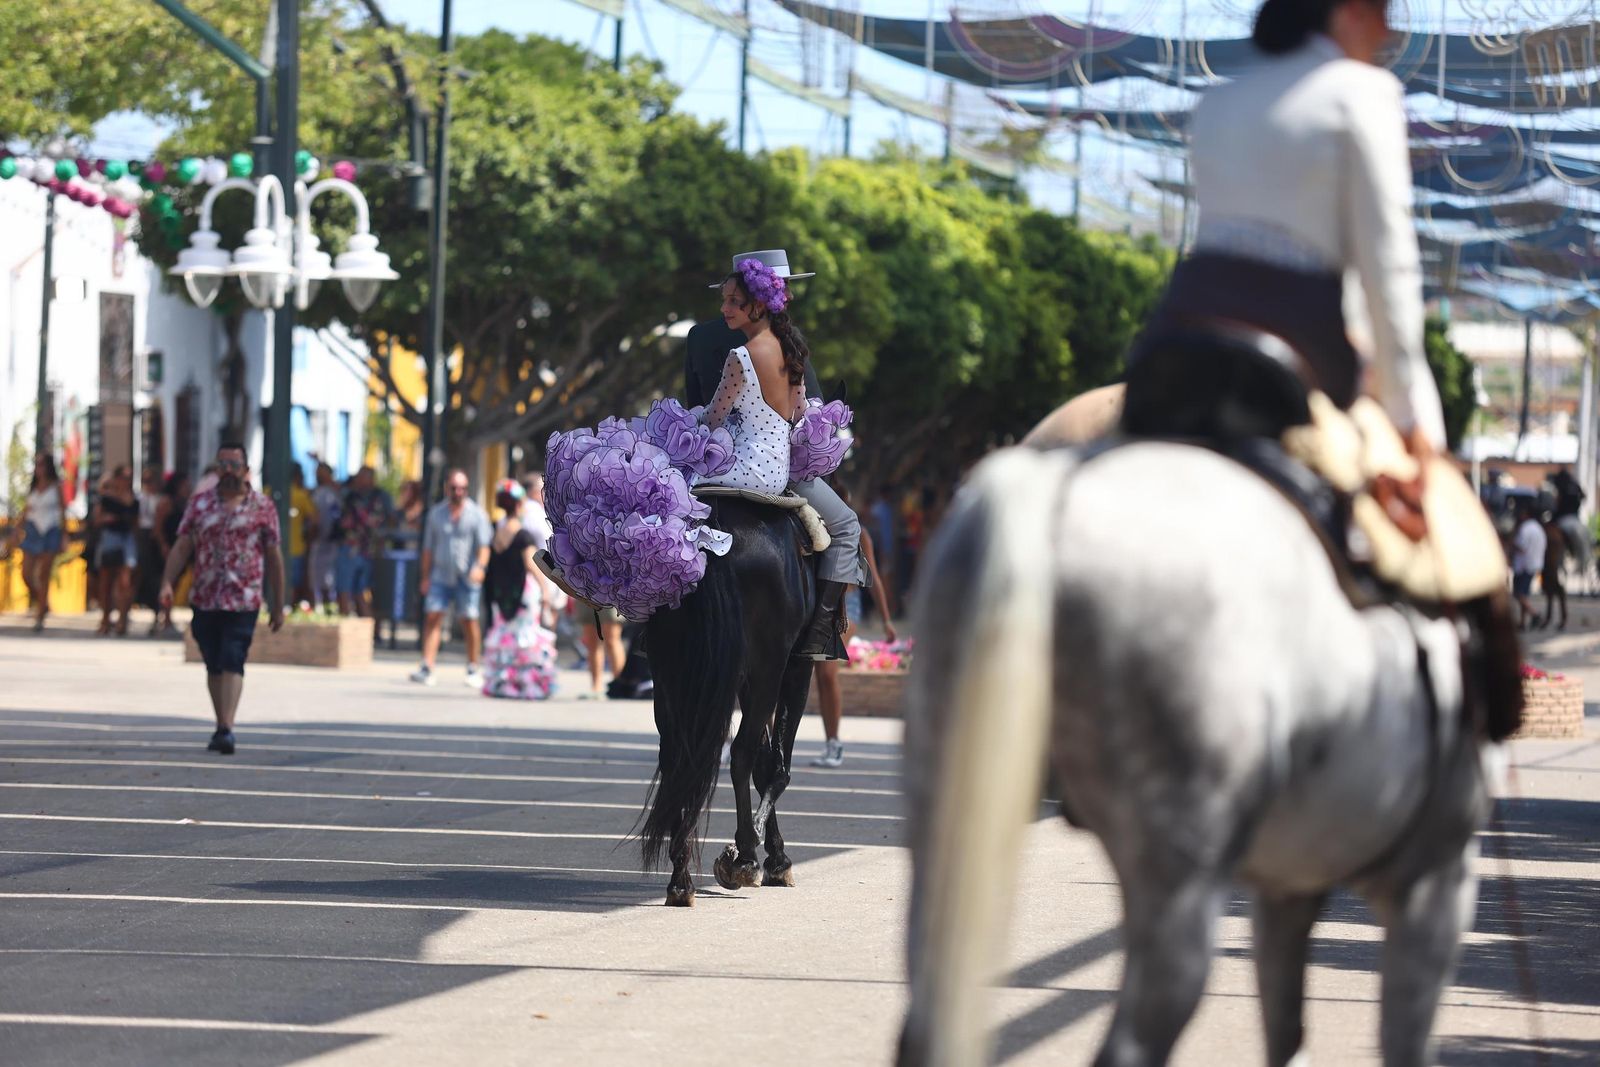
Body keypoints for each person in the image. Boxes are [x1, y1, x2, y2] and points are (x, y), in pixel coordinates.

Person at [1123, 0, 1446, 463]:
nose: (1389, 34)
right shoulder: (1364, 92)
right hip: (1300, 336)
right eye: (1382, 13)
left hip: (1183, 327)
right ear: (1347, 13)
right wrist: (1408, 413)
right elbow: (1388, 264)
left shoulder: (1218, 102)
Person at [684, 249, 864, 659]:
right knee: (849, 527)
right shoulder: (793, 348)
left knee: (661, 514)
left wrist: (681, 434)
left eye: (733, 300)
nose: (725, 307)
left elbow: (711, 417)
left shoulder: (736, 354)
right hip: (783, 471)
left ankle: (644, 619)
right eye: (725, 299)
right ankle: (820, 632)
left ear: (759, 302)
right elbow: (803, 413)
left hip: (737, 469)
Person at [160, 443, 285, 755]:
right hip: (206, 595)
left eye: (234, 464)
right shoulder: (200, 504)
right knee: (213, 662)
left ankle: (227, 727)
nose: (228, 470)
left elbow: (274, 555)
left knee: (233, 656)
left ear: (246, 469)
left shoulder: (262, 507)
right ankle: (220, 722)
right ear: (216, 469)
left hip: (243, 598)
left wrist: (279, 601)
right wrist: (166, 582)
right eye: (223, 464)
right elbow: (183, 546)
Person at [811, 486, 898, 768]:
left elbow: (873, 579)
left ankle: (834, 744)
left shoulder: (858, 532)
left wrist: (886, 620)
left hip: (848, 605)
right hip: (816, 603)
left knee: (826, 671)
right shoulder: (809, 522)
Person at [410, 468, 492, 687]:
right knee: (433, 616)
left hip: (467, 576)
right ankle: (427, 665)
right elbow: (428, 549)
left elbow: (484, 546)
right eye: (454, 487)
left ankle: (473, 666)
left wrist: (480, 567)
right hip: (440, 574)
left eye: (463, 488)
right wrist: (425, 577)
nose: (458, 492)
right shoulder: (436, 514)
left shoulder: (477, 515)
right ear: (447, 488)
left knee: (469, 619)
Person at [481, 480, 559, 700]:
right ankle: (525, 684)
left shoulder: (496, 531)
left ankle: (503, 683)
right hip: (523, 592)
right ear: (518, 504)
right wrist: (545, 589)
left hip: (501, 592)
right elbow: (531, 564)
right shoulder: (523, 534)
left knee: (505, 636)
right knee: (525, 638)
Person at [15, 456, 65, 632]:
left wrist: (64, 536)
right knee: (26, 573)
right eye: (36, 464)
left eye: (42, 464)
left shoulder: (55, 487)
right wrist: (17, 529)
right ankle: (42, 602)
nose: (38, 468)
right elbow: (27, 509)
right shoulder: (33, 487)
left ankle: (39, 616)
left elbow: (62, 511)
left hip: (51, 530)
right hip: (33, 529)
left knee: (44, 573)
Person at [335, 466, 391, 617]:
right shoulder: (350, 496)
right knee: (347, 591)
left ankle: (367, 631)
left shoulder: (380, 497)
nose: (358, 480)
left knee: (362, 593)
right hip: (352, 549)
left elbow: (389, 521)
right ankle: (348, 628)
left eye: (362, 477)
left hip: (366, 551)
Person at [93, 466, 139, 636]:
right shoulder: (106, 498)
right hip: (110, 537)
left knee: (125, 581)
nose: (125, 481)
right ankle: (105, 618)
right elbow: (97, 519)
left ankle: (122, 618)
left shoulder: (133, 498)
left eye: (129, 478)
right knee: (105, 581)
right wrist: (107, 518)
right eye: (123, 477)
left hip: (126, 538)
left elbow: (135, 521)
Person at [148, 471, 191, 637]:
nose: (187, 488)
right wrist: (163, 545)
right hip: (165, 547)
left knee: (175, 583)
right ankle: (163, 617)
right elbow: (157, 527)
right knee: (165, 583)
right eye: (184, 485)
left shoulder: (184, 503)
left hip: (177, 547)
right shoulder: (166, 502)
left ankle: (166, 617)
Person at [308, 462, 341, 609]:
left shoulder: (329, 494)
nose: (317, 476)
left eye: (320, 473)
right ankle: (322, 608)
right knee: (318, 579)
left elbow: (319, 520)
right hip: (323, 543)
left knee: (326, 579)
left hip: (327, 542)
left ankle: (327, 608)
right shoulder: (324, 493)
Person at [134, 467, 164, 627]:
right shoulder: (139, 499)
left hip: (156, 539)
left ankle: (159, 611)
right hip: (142, 538)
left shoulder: (162, 500)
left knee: (156, 576)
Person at [1511, 499, 1547, 630]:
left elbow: (1521, 547)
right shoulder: (1538, 528)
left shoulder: (1525, 528)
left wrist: (1511, 545)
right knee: (1524, 595)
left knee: (1518, 594)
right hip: (1534, 564)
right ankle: (1522, 622)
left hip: (1523, 565)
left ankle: (1535, 614)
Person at [286, 465, 317, 606]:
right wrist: (309, 538)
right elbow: (315, 520)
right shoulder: (301, 495)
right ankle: (288, 606)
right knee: (293, 582)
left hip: (273, 548)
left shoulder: (269, 491)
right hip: (297, 548)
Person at [1540, 512, 1569, 631]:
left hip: (1549, 563)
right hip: (1566, 515)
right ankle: (1558, 617)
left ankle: (1554, 617)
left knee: (1552, 586)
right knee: (1551, 587)